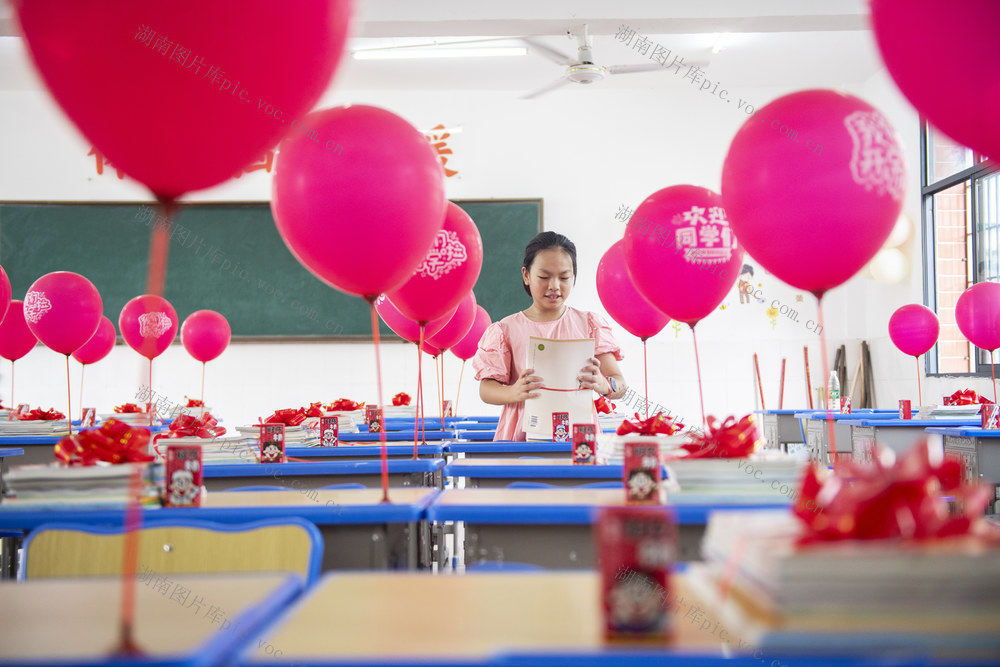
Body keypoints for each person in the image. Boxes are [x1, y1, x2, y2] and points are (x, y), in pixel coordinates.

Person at [472, 231, 626, 441]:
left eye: (564, 277)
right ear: (526, 275)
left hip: (579, 437)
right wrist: (513, 392)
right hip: (521, 436)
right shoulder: (505, 330)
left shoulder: (589, 324)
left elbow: (620, 385)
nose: (554, 285)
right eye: (544, 277)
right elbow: (486, 389)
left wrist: (603, 384)